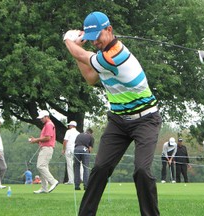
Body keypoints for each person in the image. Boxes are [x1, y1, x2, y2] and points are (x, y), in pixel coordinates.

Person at [64, 11, 162, 216]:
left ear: (109, 30)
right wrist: (78, 50)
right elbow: (91, 77)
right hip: (118, 121)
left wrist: (68, 40)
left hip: (146, 119)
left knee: (142, 171)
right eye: (91, 40)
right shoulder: (102, 56)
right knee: (100, 168)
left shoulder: (116, 55)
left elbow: (83, 57)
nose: (95, 43)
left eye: (98, 37)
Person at [29, 110, 59, 193]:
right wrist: (35, 140)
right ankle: (44, 188)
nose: (41, 119)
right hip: (45, 147)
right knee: (43, 167)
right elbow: (44, 138)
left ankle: (53, 181)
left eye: (42, 118)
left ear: (46, 117)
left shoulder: (49, 125)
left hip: (47, 148)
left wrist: (36, 139)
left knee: (40, 166)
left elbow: (48, 138)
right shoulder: (47, 125)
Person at [62, 120, 80, 185]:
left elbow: (65, 140)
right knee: (78, 164)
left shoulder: (68, 131)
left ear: (72, 126)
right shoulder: (78, 133)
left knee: (69, 164)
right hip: (76, 149)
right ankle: (81, 178)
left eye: (69, 125)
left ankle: (71, 180)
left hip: (69, 149)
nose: (69, 126)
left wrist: (63, 149)